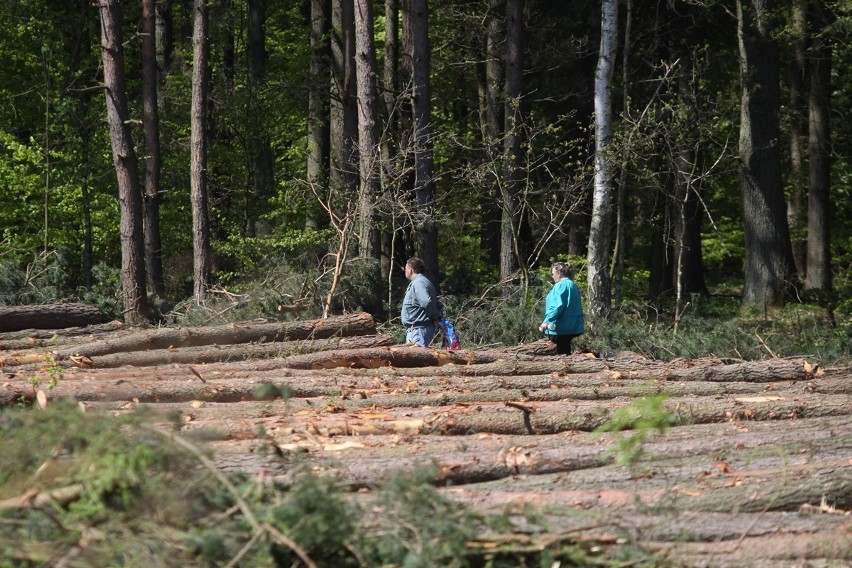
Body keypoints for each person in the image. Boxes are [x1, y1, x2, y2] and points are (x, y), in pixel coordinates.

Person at [539, 261, 584, 355]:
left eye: (553, 274)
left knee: (560, 356)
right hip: (571, 327)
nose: (552, 276)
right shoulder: (572, 285)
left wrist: (546, 321)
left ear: (559, 272)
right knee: (565, 354)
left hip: (559, 328)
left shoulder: (560, 286)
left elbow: (556, 307)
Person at [401, 257, 442, 347]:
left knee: (415, 359)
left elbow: (426, 302)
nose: (405, 271)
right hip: (418, 329)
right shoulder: (423, 282)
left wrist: (436, 317)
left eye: (406, 269)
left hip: (418, 330)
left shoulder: (418, 283)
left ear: (410, 270)